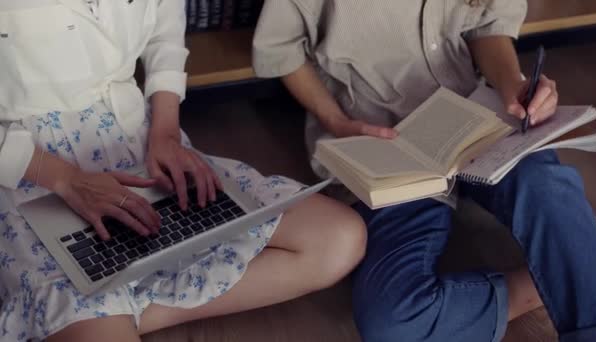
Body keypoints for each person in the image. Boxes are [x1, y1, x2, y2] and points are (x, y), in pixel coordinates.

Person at [0, 1, 367, 341]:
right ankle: (88, 313)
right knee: (78, 272)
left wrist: (165, 131)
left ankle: (116, 314)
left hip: (135, 137)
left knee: (338, 240)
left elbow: (165, 31)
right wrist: (67, 180)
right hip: (30, 168)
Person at [252, 0, 596, 341]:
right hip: (382, 142)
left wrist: (511, 84)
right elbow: (279, 48)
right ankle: (564, 267)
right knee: (395, 322)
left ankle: (578, 273)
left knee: (545, 186)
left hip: (478, 116)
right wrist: (337, 121)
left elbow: (486, 23)